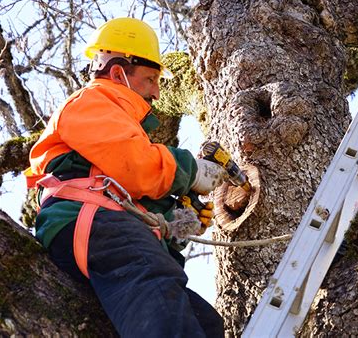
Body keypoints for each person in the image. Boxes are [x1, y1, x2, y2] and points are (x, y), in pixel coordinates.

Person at [26, 17, 226, 337]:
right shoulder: (92, 102)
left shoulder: (119, 124)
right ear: (119, 72)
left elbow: (130, 192)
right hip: (86, 217)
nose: (157, 92)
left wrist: (174, 223)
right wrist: (192, 170)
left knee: (206, 322)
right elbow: (135, 166)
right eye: (150, 79)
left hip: (104, 225)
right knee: (153, 280)